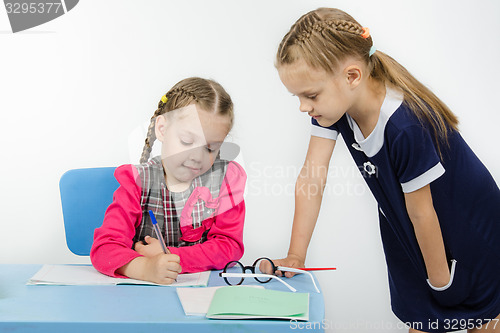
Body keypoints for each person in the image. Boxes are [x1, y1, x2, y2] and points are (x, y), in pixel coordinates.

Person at [271, 7, 500, 333]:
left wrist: (440, 282)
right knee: (425, 321)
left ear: (352, 76)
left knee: (481, 322)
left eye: (310, 95)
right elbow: (312, 177)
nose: (303, 107)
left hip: (467, 227)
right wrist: (296, 255)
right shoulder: (334, 107)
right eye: (297, 96)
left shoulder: (405, 125)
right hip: (413, 227)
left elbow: (423, 213)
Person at [91, 77, 246, 285]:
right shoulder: (136, 182)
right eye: (187, 141)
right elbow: (105, 249)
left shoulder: (226, 180)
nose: (197, 157)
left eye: (211, 147)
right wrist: (145, 268)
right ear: (162, 129)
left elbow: (229, 246)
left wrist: (172, 257)